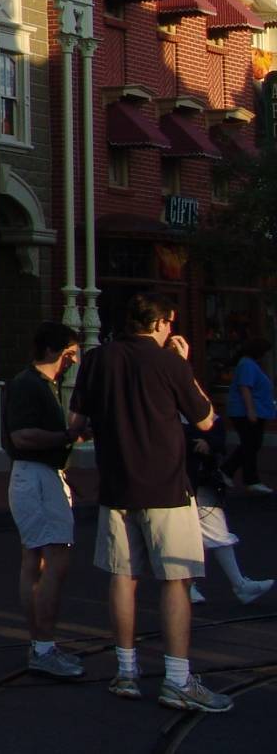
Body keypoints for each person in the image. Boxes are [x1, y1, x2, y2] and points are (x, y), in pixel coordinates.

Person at [69, 292, 231, 714]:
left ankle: (126, 670)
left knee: (123, 575)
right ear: (161, 323)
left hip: (116, 485)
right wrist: (186, 365)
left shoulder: (97, 359)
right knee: (176, 580)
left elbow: (76, 422)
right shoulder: (169, 363)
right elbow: (205, 419)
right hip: (166, 487)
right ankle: (177, 679)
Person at [1, 321, 87, 678]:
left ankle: (40, 643)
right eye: (69, 353)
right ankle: (43, 645)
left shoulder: (42, 386)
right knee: (55, 557)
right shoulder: (29, 386)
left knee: (34, 558)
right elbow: (22, 437)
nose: (73, 361)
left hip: (38, 475)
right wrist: (65, 436)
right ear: (53, 351)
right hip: (37, 476)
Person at [186, 427, 273, 606]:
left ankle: (239, 585)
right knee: (185, 536)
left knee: (216, 531)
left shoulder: (199, 407)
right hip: (179, 480)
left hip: (202, 478)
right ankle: (186, 585)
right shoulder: (173, 408)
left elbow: (217, 433)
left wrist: (209, 443)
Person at [222, 337, 273, 495]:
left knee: (251, 444)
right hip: (245, 412)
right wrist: (251, 410)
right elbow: (245, 388)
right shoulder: (247, 365)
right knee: (250, 444)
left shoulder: (249, 364)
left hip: (254, 410)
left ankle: (236, 474)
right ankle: (245, 477)